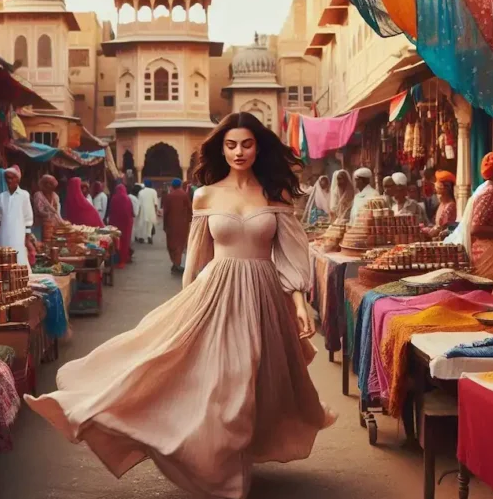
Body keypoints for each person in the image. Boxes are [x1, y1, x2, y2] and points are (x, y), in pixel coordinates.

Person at [25, 112, 335, 499]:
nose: (239, 151)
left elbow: (290, 253)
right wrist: (187, 303)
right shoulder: (205, 194)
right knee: (220, 383)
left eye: (247, 143)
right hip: (215, 296)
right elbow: (197, 256)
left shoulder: (276, 193)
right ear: (221, 149)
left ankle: (235, 464)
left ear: (259, 147)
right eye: (231, 144)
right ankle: (228, 477)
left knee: (251, 383)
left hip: (263, 299)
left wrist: (299, 302)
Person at [0, 165, 35, 265]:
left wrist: (27, 239)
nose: (9, 180)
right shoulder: (1, 197)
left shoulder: (24, 195)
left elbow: (28, 218)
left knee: (18, 261)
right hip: (4, 234)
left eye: (12, 178)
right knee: (3, 262)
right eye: (7, 178)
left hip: (18, 235)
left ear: (18, 179)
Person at [162, 178, 192, 274]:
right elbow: (189, 209)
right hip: (182, 224)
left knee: (172, 244)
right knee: (179, 244)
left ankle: (175, 263)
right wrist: (189, 220)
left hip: (171, 224)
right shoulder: (184, 195)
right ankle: (176, 264)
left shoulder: (169, 196)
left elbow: (165, 212)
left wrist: (165, 225)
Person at [106, 183, 135, 268]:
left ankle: (116, 259)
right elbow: (132, 212)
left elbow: (110, 211)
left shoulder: (114, 199)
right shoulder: (128, 199)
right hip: (126, 224)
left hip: (115, 223)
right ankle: (123, 260)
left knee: (116, 241)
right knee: (125, 241)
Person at [427, 170, 457, 238]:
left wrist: (429, 233)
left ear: (446, 189)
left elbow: (444, 229)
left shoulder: (450, 206)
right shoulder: (442, 204)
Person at [32, 174, 63, 238]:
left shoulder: (55, 196)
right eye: (47, 183)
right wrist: (49, 215)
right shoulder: (38, 195)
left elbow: (58, 212)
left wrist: (61, 221)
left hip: (54, 225)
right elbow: (39, 211)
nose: (49, 186)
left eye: (51, 184)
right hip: (40, 225)